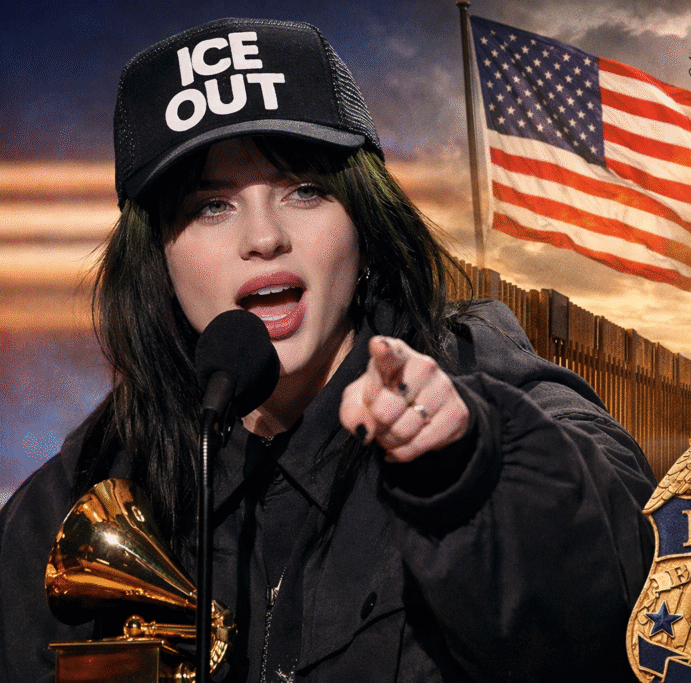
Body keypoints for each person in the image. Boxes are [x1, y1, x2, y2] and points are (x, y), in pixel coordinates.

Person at [0, 18, 656, 682]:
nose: (264, 237)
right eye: (211, 206)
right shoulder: (95, 475)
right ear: (158, 259)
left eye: (305, 190)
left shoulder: (477, 382)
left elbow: (635, 594)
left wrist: (468, 475)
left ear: (365, 225)